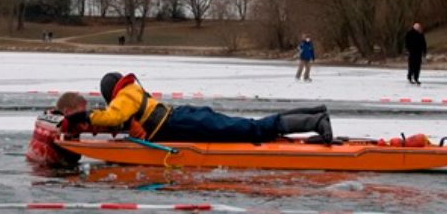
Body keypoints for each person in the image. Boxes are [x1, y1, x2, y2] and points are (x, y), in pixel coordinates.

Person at [60, 72, 334, 144]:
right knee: (251, 125)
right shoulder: (133, 91)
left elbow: (114, 116)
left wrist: (83, 117)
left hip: (180, 123)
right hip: (182, 117)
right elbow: (121, 121)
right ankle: (315, 112)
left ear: (111, 93)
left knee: (253, 129)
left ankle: (315, 122)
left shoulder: (123, 99)